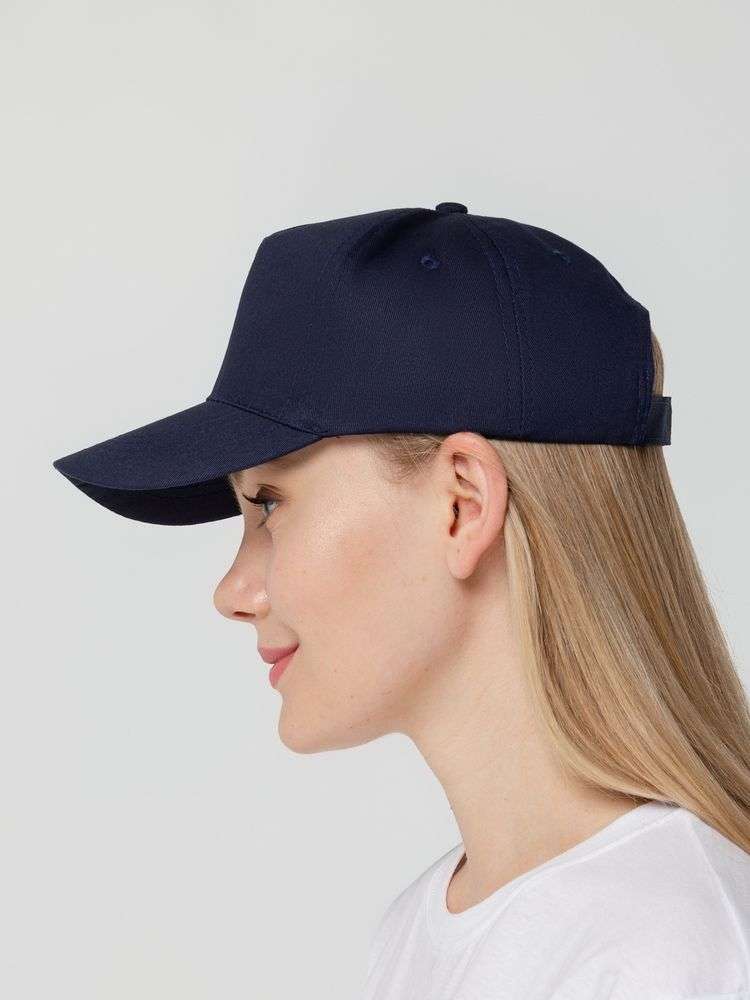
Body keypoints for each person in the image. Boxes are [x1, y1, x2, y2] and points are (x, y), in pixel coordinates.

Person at [52, 202, 750, 999]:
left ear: (462, 504)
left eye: (270, 504)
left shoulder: (666, 954)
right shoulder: (427, 929)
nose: (232, 592)